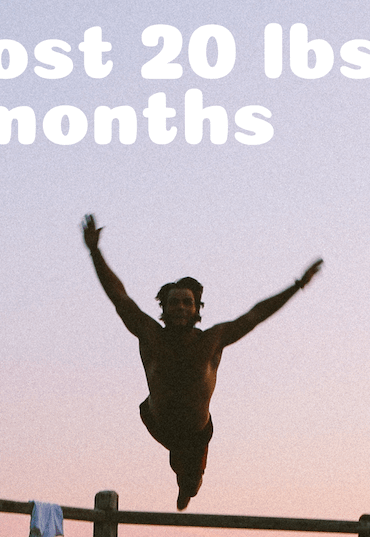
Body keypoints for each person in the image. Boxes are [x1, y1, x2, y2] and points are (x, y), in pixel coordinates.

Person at [82, 214, 323, 509]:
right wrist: (95, 251)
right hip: (157, 422)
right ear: (164, 309)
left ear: (197, 309)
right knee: (178, 459)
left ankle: (187, 483)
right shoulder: (150, 334)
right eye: (174, 302)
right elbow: (119, 297)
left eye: (187, 302)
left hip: (196, 434)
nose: (180, 307)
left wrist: (297, 285)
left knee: (190, 482)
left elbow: (256, 314)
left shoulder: (212, 340)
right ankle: (182, 473)